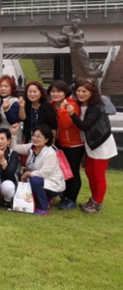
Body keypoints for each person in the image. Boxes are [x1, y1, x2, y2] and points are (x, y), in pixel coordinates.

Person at [67, 79, 117, 214]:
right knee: (89, 172)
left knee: (98, 175)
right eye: (78, 91)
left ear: (92, 92)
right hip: (90, 145)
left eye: (84, 91)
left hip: (100, 145)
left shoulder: (95, 107)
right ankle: (93, 199)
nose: (81, 94)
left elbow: (84, 126)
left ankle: (97, 202)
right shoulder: (82, 104)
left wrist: (72, 114)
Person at [10, 124, 65, 215]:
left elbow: (44, 173)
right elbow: (15, 148)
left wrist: (28, 174)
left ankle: (44, 207)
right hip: (40, 180)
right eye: (34, 135)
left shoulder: (50, 153)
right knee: (25, 176)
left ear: (46, 139)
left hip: (54, 184)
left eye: (39, 137)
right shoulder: (31, 147)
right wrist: (14, 134)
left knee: (35, 180)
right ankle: (46, 198)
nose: (35, 138)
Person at [48, 80, 85, 210]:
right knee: (62, 171)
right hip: (60, 143)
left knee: (72, 172)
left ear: (65, 93)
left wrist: (63, 110)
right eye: (53, 91)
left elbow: (65, 124)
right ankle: (65, 196)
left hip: (73, 145)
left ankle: (72, 199)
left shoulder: (71, 105)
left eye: (59, 91)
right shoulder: (52, 105)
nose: (55, 94)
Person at [0, 128, 21, 211]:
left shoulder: (13, 154)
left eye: (2, 139)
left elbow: (10, 174)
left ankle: (8, 201)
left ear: (8, 141)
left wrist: (2, 159)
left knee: (8, 186)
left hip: (7, 181)